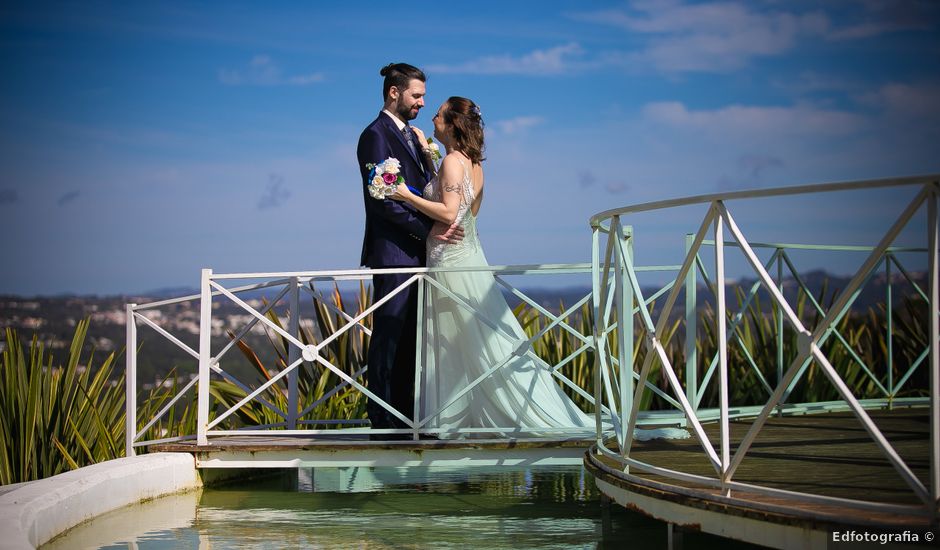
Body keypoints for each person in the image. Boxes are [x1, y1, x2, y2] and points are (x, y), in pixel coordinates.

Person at [357, 63, 462, 438]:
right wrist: (429, 230)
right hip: (393, 254)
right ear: (393, 93)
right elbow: (383, 201)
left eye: (423, 97)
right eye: (416, 95)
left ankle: (406, 419)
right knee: (389, 335)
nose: (421, 103)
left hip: (419, 254)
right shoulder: (374, 136)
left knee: (413, 340)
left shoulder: (413, 137)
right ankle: (382, 419)